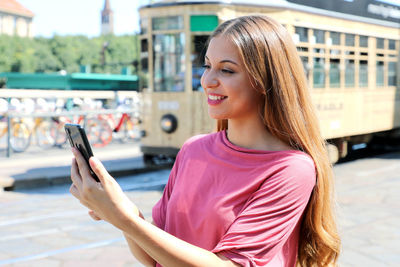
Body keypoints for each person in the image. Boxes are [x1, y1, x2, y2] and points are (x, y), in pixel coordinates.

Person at [69, 15, 340, 266]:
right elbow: (153, 258)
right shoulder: (192, 149)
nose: (207, 80)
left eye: (227, 70)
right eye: (208, 66)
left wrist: (126, 220)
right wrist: (124, 213)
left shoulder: (291, 169)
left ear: (265, 80)